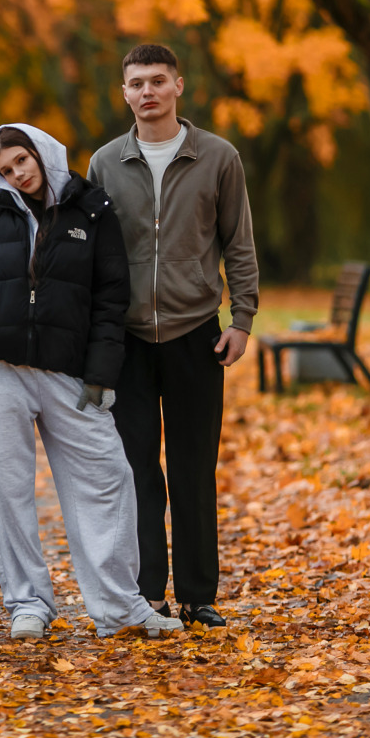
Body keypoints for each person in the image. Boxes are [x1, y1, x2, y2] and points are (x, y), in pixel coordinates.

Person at [0, 124, 184, 640]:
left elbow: (110, 297)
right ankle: (27, 604)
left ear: (41, 152)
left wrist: (101, 373)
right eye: (6, 169)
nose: (18, 173)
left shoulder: (92, 210)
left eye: (22, 160)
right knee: (8, 490)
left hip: (70, 372)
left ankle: (120, 607)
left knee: (108, 477)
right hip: (0, 369)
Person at [86, 43, 259, 630]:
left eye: (158, 81)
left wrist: (242, 320)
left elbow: (238, 244)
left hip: (195, 334)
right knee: (136, 471)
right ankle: (148, 595)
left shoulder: (218, 156)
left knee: (192, 469)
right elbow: (93, 254)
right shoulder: (105, 163)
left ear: (178, 86)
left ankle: (198, 595)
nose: (148, 92)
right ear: (125, 93)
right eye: (137, 83)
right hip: (128, 340)